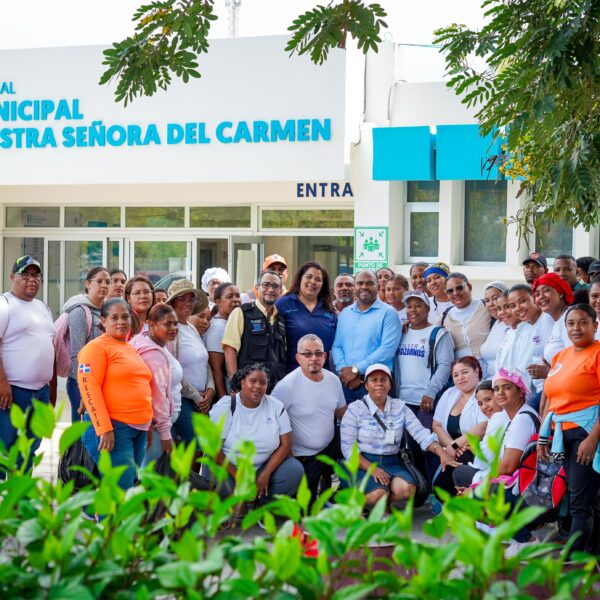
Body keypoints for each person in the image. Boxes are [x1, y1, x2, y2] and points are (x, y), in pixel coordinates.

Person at [340, 363, 458, 509]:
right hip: (363, 462)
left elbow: (420, 433)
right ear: (366, 385)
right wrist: (372, 468)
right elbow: (348, 448)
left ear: (390, 385)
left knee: (407, 489)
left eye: (384, 380)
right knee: (377, 494)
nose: (379, 384)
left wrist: (442, 453)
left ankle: (382, 505)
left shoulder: (400, 407)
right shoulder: (355, 409)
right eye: (374, 380)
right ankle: (358, 503)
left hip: (392, 462)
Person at [540, 304, 600, 555]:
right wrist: (545, 436)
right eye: (571, 323)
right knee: (582, 497)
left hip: (587, 434)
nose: (576, 328)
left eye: (583, 322)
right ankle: (590, 556)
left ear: (595, 326)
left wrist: (593, 438)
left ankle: (574, 564)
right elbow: (552, 398)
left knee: (580, 503)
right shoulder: (561, 356)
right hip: (562, 434)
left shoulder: (597, 353)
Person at [78, 298, 153, 490]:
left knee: (126, 485)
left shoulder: (128, 347)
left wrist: (147, 425)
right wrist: (103, 428)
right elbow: (89, 387)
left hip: (138, 427)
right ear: (103, 321)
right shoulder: (95, 348)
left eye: (125, 316)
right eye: (114, 317)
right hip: (114, 427)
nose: (121, 321)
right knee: (118, 489)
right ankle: (106, 521)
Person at [209, 364, 304, 502]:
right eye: (253, 381)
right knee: (212, 473)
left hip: (263, 466)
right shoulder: (226, 407)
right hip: (230, 467)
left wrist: (265, 474)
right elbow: (214, 450)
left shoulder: (276, 406)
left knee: (294, 470)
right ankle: (233, 505)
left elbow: (286, 443)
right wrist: (238, 476)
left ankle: (263, 505)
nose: (258, 386)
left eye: (263, 382)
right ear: (242, 383)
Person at [271, 334, 346, 499]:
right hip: (301, 457)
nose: (314, 358)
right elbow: (271, 423)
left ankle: (332, 478)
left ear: (325, 356)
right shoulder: (286, 386)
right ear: (298, 358)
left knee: (353, 436)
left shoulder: (333, 380)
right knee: (307, 511)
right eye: (307, 354)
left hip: (327, 449)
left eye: (318, 353)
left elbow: (343, 413)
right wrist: (287, 456)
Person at [0, 256, 55, 474]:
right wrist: (2, 382)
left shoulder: (42, 306)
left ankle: (21, 501)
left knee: (31, 447)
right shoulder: (5, 304)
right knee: (7, 448)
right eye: (26, 274)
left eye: (36, 275)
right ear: (13, 277)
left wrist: (51, 388)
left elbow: (50, 345)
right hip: (13, 392)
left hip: (40, 392)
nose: (32, 279)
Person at [331, 270, 402, 402]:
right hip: (347, 381)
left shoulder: (388, 314)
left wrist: (355, 370)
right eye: (360, 283)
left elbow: (387, 350)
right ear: (355, 287)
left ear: (379, 287)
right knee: (347, 422)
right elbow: (337, 346)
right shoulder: (346, 313)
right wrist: (345, 372)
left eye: (370, 283)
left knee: (376, 422)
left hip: (376, 383)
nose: (364, 287)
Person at [431, 356, 488, 508]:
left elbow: (483, 426)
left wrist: (456, 446)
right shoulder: (450, 393)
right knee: (439, 487)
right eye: (455, 375)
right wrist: (452, 446)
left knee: (456, 482)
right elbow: (436, 424)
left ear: (476, 371)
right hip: (453, 449)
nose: (460, 378)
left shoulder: (484, 392)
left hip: (474, 449)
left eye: (464, 372)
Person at [166, 279, 215, 445]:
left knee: (199, 447)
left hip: (201, 398)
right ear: (172, 302)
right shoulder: (169, 330)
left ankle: (192, 473)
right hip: (182, 398)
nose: (188, 303)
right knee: (194, 443)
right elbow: (171, 369)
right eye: (182, 298)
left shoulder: (190, 327)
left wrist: (210, 389)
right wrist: (196, 397)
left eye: (191, 298)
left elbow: (204, 361)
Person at [132, 304, 181, 466]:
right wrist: (165, 433)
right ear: (151, 324)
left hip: (155, 426)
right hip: (155, 428)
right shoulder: (152, 354)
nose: (173, 328)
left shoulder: (156, 342)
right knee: (150, 478)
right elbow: (156, 398)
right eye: (167, 324)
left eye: (175, 323)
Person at [222, 270, 287, 393]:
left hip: (276, 390)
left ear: (280, 290)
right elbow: (229, 350)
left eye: (275, 286)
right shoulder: (241, 313)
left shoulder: (281, 321)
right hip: (249, 389)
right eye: (266, 284)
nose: (271, 289)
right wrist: (235, 386)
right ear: (257, 288)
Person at [395, 291, 454, 424]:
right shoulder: (400, 332)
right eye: (409, 306)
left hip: (427, 402)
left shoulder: (439, 334)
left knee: (427, 443)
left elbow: (445, 366)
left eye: (418, 305)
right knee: (407, 444)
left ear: (427, 309)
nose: (413, 310)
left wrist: (431, 392)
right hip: (402, 401)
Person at [64, 266, 110, 423]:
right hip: (82, 383)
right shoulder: (79, 312)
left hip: (101, 382)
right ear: (88, 284)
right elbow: (77, 354)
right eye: (99, 281)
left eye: (107, 282)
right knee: (82, 436)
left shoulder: (106, 311)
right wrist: (84, 389)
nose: (104, 285)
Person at [275, 261, 337, 373]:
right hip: (291, 375)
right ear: (300, 279)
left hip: (322, 375)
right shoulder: (283, 304)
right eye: (309, 277)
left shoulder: (329, 309)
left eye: (318, 279)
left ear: (323, 284)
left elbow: (337, 345)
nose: (312, 282)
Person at [504, 284, 554, 409]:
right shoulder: (526, 327)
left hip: (551, 388)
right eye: (512, 305)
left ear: (534, 298)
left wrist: (548, 372)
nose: (518, 308)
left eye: (522, 301)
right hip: (536, 390)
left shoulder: (548, 319)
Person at [452, 379, 506, 489]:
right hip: (495, 466)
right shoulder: (499, 416)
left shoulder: (499, 417)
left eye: (488, 400)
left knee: (459, 471)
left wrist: (475, 449)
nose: (484, 406)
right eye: (480, 404)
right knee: (461, 455)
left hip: (496, 474)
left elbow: (485, 459)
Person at [441, 272, 492, 359]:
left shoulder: (486, 306)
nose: (455, 293)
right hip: (460, 371)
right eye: (450, 291)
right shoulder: (445, 317)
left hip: (488, 370)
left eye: (459, 288)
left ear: (469, 286)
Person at [205, 282, 242, 398]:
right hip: (227, 389)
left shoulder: (233, 322)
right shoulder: (218, 327)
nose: (236, 300)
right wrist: (223, 398)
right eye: (229, 296)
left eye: (237, 295)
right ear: (218, 302)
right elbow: (216, 369)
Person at [536, 273, 575, 368]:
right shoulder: (559, 320)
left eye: (546, 290)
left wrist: (548, 373)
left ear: (560, 293)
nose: (541, 296)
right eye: (537, 294)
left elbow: (575, 360)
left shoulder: (571, 318)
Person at [479, 281, 510, 379]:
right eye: (487, 300)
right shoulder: (495, 324)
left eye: (495, 298)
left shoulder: (515, 324)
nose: (491, 304)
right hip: (488, 381)